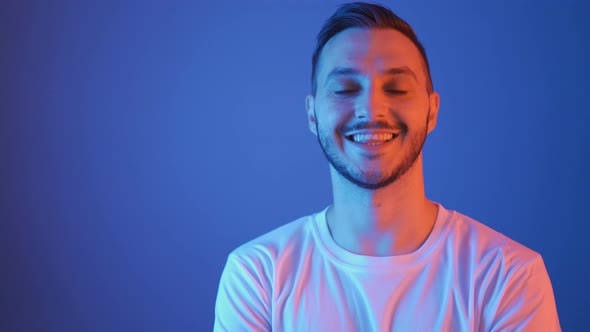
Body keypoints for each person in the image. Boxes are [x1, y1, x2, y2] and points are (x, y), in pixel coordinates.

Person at [213, 2, 561, 331]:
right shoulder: (258, 275)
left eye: (396, 88)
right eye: (345, 88)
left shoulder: (508, 276)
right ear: (311, 114)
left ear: (432, 111)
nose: (371, 109)